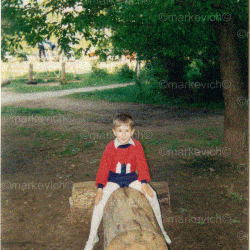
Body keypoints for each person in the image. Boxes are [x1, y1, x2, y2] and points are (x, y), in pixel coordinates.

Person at [84, 113, 172, 250]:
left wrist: (143, 182)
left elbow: (142, 164)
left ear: (132, 132)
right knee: (99, 202)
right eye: (120, 131)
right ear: (114, 132)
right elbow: (103, 168)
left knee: (152, 195)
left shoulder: (137, 146)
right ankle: (92, 238)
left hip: (131, 177)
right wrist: (100, 188)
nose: (123, 135)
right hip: (113, 179)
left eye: (127, 131)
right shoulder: (110, 147)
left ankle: (161, 229)